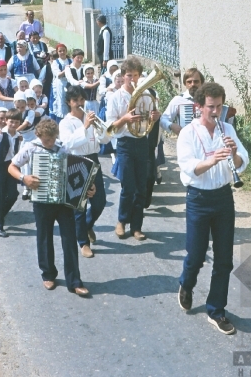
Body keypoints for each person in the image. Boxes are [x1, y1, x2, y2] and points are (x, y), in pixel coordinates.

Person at [177, 82, 249, 335]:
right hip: (198, 198)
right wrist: (212, 159)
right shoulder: (188, 133)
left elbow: (241, 163)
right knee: (196, 255)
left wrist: (234, 153)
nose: (216, 112)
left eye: (219, 106)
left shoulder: (227, 128)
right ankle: (186, 283)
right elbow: (189, 168)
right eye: (211, 107)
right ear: (199, 106)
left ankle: (216, 310)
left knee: (224, 259)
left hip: (223, 197)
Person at [8, 119, 91, 296]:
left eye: (53, 139)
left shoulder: (63, 149)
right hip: (41, 201)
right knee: (44, 237)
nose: (51, 143)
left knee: (69, 239)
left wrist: (88, 187)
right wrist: (24, 178)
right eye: (47, 140)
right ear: (39, 136)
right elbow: (12, 166)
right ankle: (48, 274)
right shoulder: (31, 147)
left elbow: (77, 171)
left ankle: (74, 281)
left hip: (63, 202)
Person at [106, 56, 160, 241]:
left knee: (141, 188)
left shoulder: (145, 95)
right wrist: (125, 120)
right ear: (123, 76)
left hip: (142, 142)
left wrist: (154, 116)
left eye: (136, 75)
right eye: (129, 75)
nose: (133, 79)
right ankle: (122, 221)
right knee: (128, 187)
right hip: (125, 144)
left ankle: (136, 227)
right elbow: (111, 127)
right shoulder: (115, 97)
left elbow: (149, 121)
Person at [59, 86, 108, 258]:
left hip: (93, 158)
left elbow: (105, 139)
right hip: (76, 161)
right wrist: (85, 127)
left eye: (82, 100)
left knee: (100, 201)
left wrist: (100, 127)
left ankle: (87, 226)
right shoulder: (65, 122)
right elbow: (68, 144)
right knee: (79, 205)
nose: (80, 103)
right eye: (75, 101)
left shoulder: (89, 115)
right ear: (69, 103)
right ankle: (83, 243)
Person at [161, 68, 234, 135]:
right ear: (185, 84)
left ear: (201, 82)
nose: (193, 84)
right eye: (189, 82)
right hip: (188, 141)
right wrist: (171, 125)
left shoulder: (209, 99)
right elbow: (163, 119)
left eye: (196, 81)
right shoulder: (178, 100)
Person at [0, 108, 22, 237]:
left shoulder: (18, 136)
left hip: (11, 166)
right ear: (6, 121)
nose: (13, 125)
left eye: (16, 122)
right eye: (11, 122)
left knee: (13, 194)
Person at [49, 44, 72, 123]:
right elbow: (58, 75)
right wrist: (67, 69)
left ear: (66, 51)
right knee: (61, 102)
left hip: (70, 83)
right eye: (60, 51)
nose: (62, 52)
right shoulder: (55, 63)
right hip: (60, 84)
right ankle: (60, 121)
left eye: (63, 50)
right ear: (57, 52)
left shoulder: (70, 61)